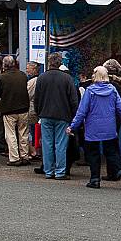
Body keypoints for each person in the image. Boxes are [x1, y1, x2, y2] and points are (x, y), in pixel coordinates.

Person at [68, 65, 121, 189]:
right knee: (112, 151)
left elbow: (82, 111)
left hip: (92, 128)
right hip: (109, 127)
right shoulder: (113, 90)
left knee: (93, 154)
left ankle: (95, 179)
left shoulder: (90, 91)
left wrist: (73, 126)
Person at [35, 52, 80, 180]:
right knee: (60, 144)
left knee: (47, 143)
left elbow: (37, 98)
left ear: (49, 63)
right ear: (60, 63)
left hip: (45, 114)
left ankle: (48, 171)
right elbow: (73, 100)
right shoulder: (67, 78)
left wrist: (39, 112)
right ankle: (60, 172)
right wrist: (73, 116)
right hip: (63, 116)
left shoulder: (42, 77)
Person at [0, 56, 31, 166]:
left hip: (8, 108)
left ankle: (14, 157)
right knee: (23, 132)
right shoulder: (23, 75)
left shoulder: (2, 77)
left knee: (10, 134)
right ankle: (25, 156)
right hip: (23, 108)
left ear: (4, 65)